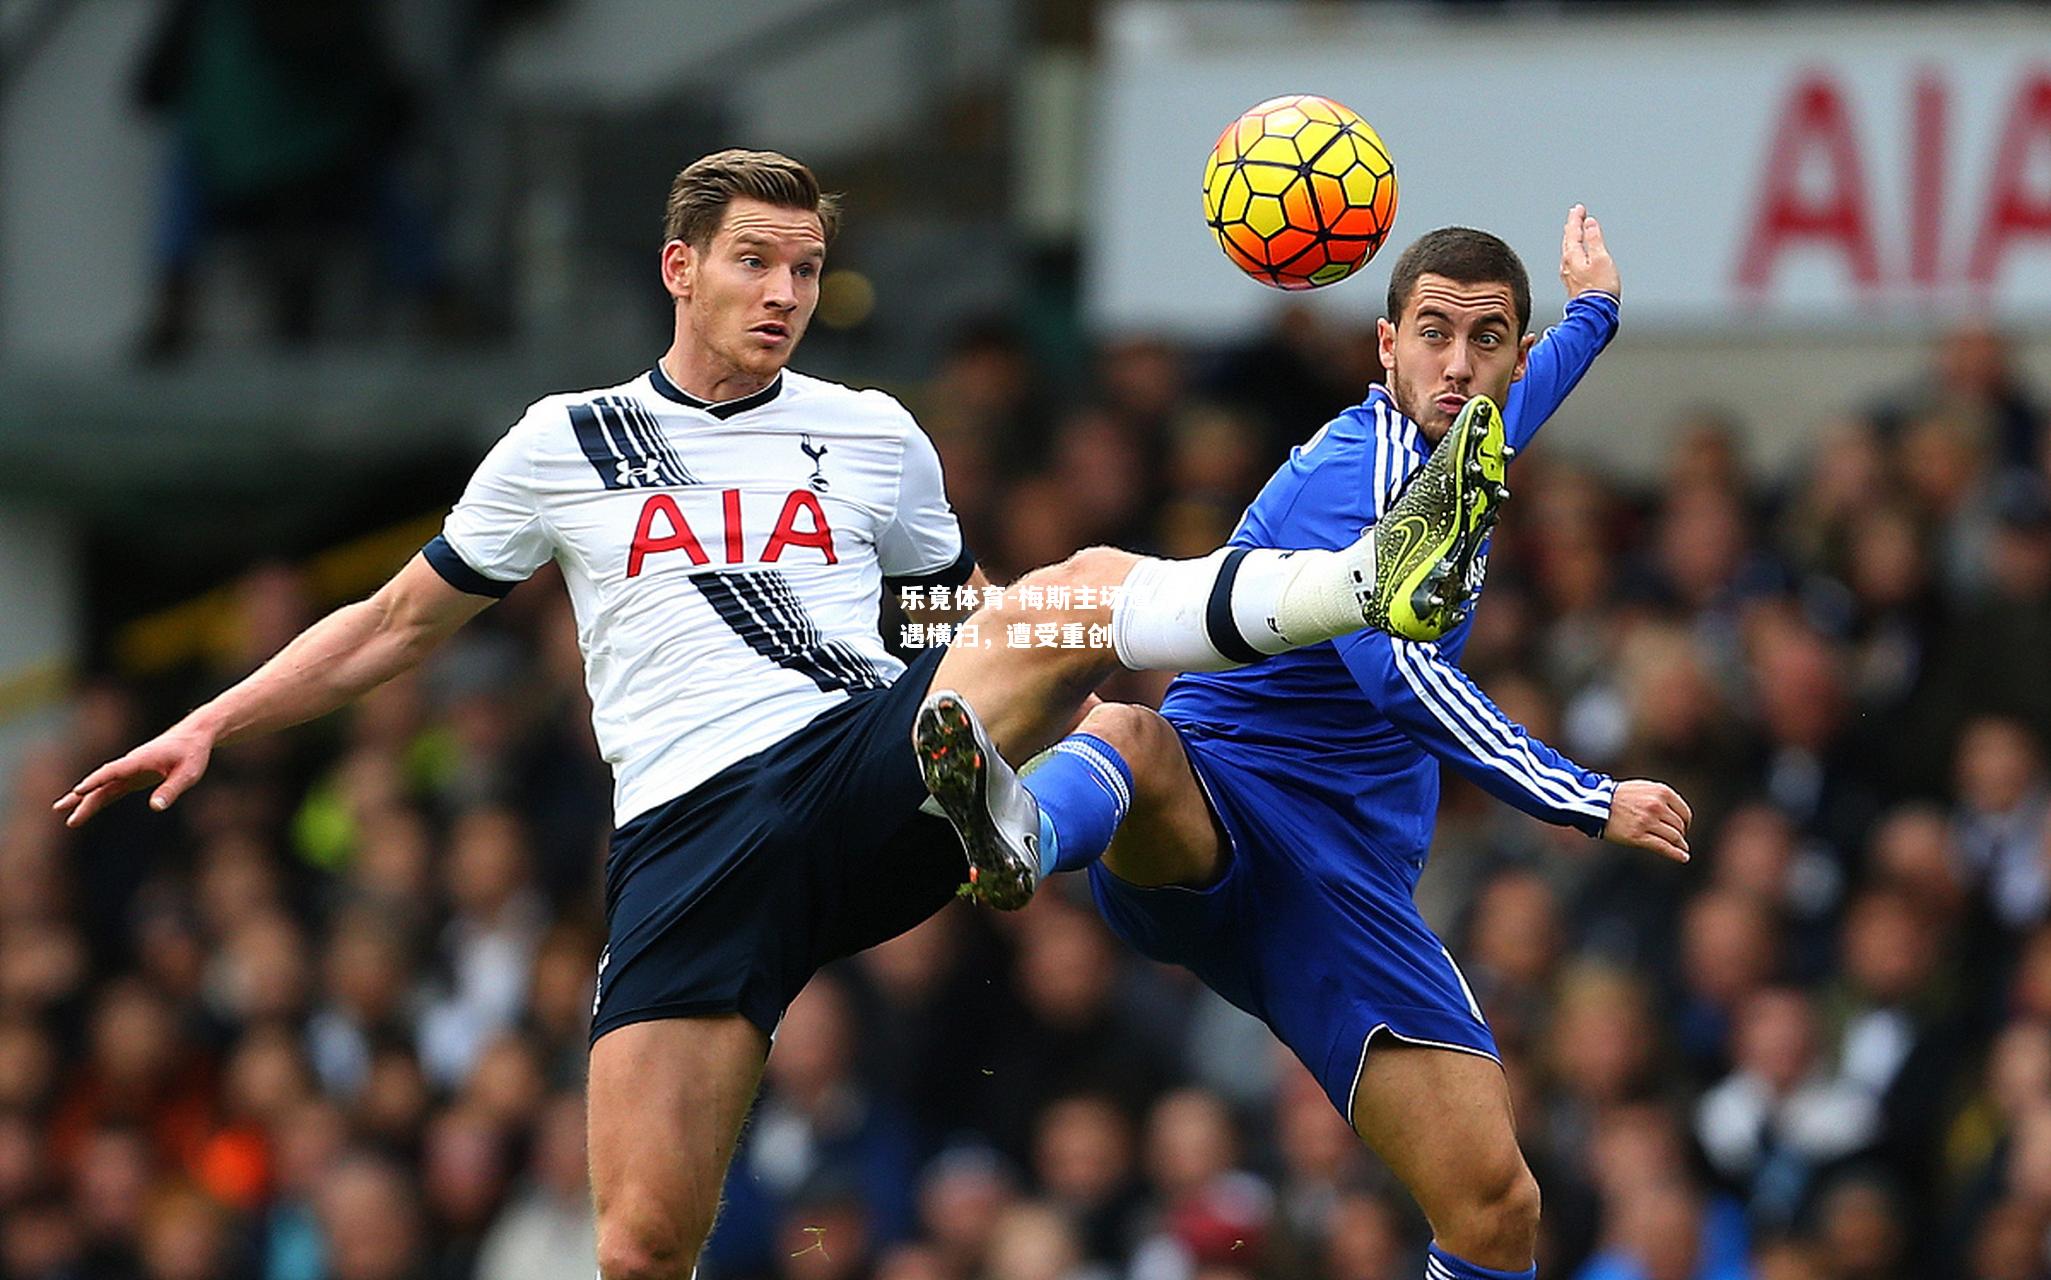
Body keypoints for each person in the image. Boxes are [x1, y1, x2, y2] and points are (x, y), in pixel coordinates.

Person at [54, 149, 1507, 1280]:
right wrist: (211, 723)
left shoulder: (873, 432)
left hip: (861, 769)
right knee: (639, 1246)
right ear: (677, 266)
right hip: (688, 842)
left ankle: (1352, 584)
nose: (784, 294)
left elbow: (950, 619)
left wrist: (1036, 652)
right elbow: (389, 626)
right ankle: (1051, 756)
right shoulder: (567, 443)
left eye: (806, 270)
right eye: (755, 263)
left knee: (1066, 591)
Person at [916, 209, 1695, 1280]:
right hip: (1222, 801)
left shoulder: (1476, 424)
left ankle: (1034, 820)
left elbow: (1538, 376)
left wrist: (1596, 307)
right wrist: (1582, 795)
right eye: (1432, 333)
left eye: (1486, 340)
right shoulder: (1356, 470)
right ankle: (1020, 829)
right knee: (1132, 730)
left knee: (1496, 1207)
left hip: (1342, 885)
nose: (1458, 364)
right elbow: (1396, 674)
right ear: (1385, 347)